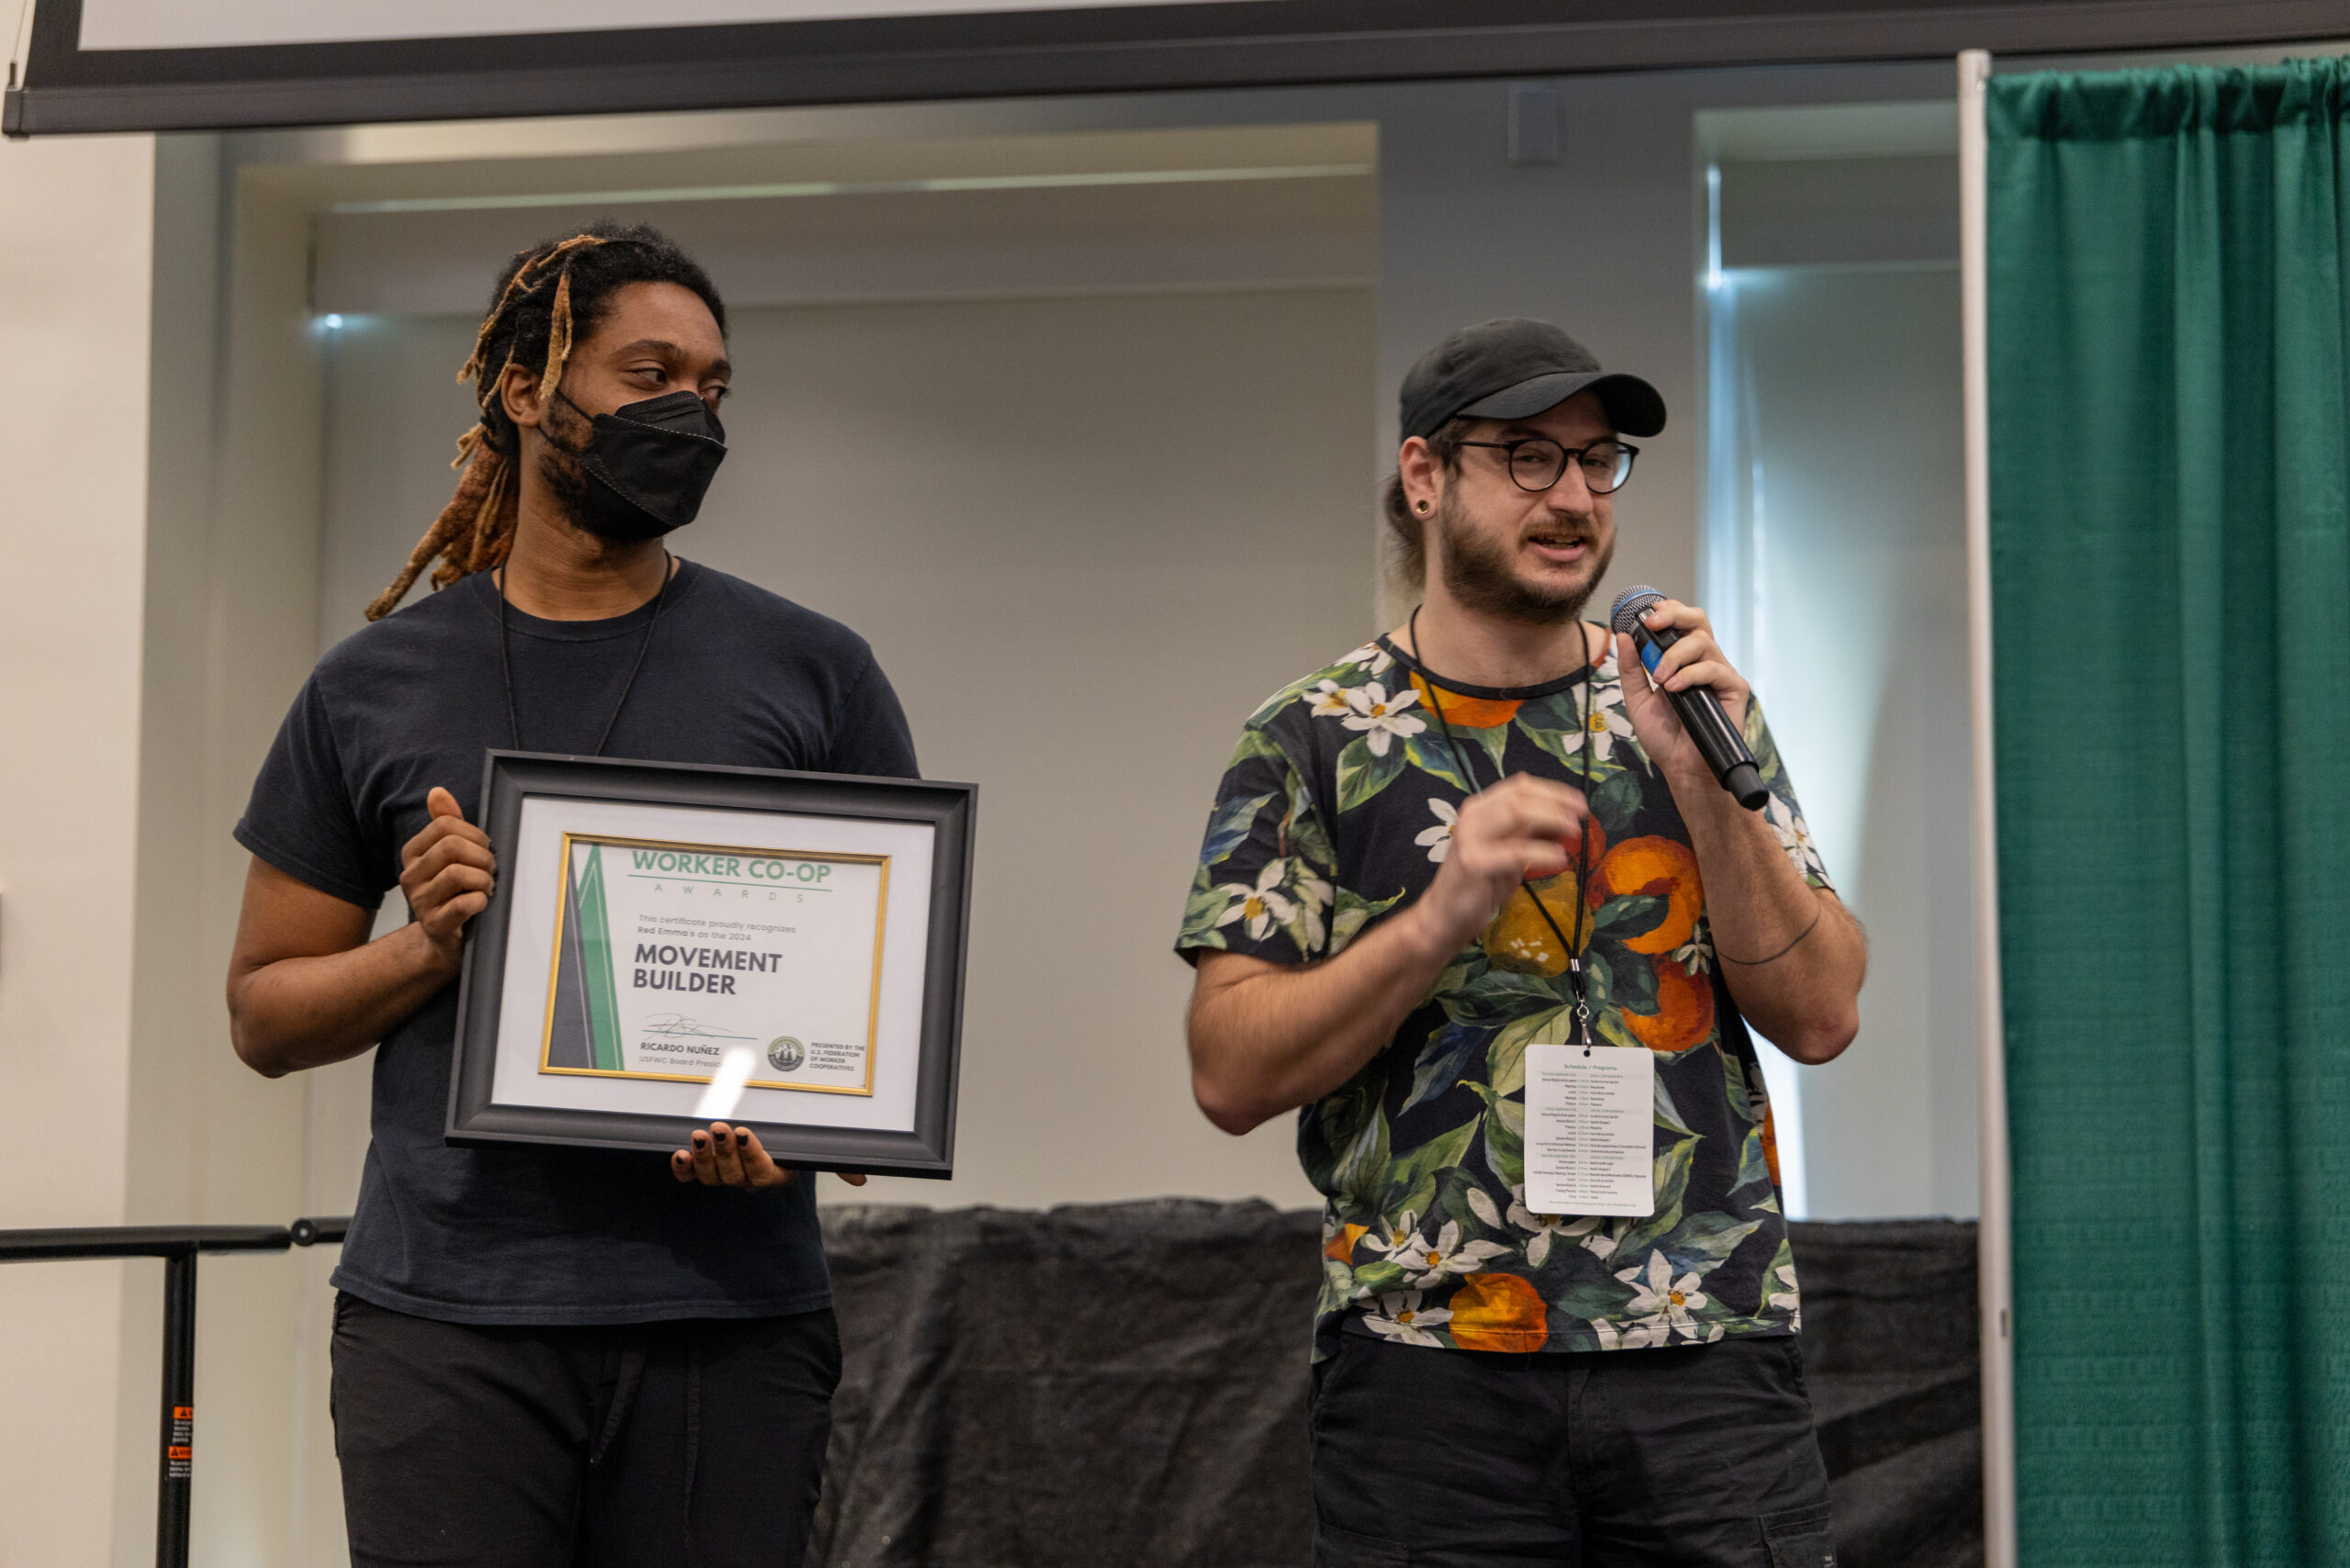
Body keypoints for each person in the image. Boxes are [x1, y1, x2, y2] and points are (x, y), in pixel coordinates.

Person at [225, 222, 916, 1567]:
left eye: (714, 387)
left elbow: (878, 1045)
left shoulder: (813, 671)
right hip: (444, 1326)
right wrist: (427, 947)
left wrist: (800, 1126)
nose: (691, 413)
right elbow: (264, 1015)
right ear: (528, 388)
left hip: (729, 1318)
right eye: (650, 371)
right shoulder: (375, 685)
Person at [1177, 318, 1864, 1566]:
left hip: (1704, 1347)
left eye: (1597, 462)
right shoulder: (1313, 738)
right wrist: (1439, 917)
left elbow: (1822, 1014)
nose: (1573, 497)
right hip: (1431, 1372)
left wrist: (1708, 793)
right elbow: (1229, 1070)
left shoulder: (1693, 708)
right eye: (1527, 459)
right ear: (1427, 478)